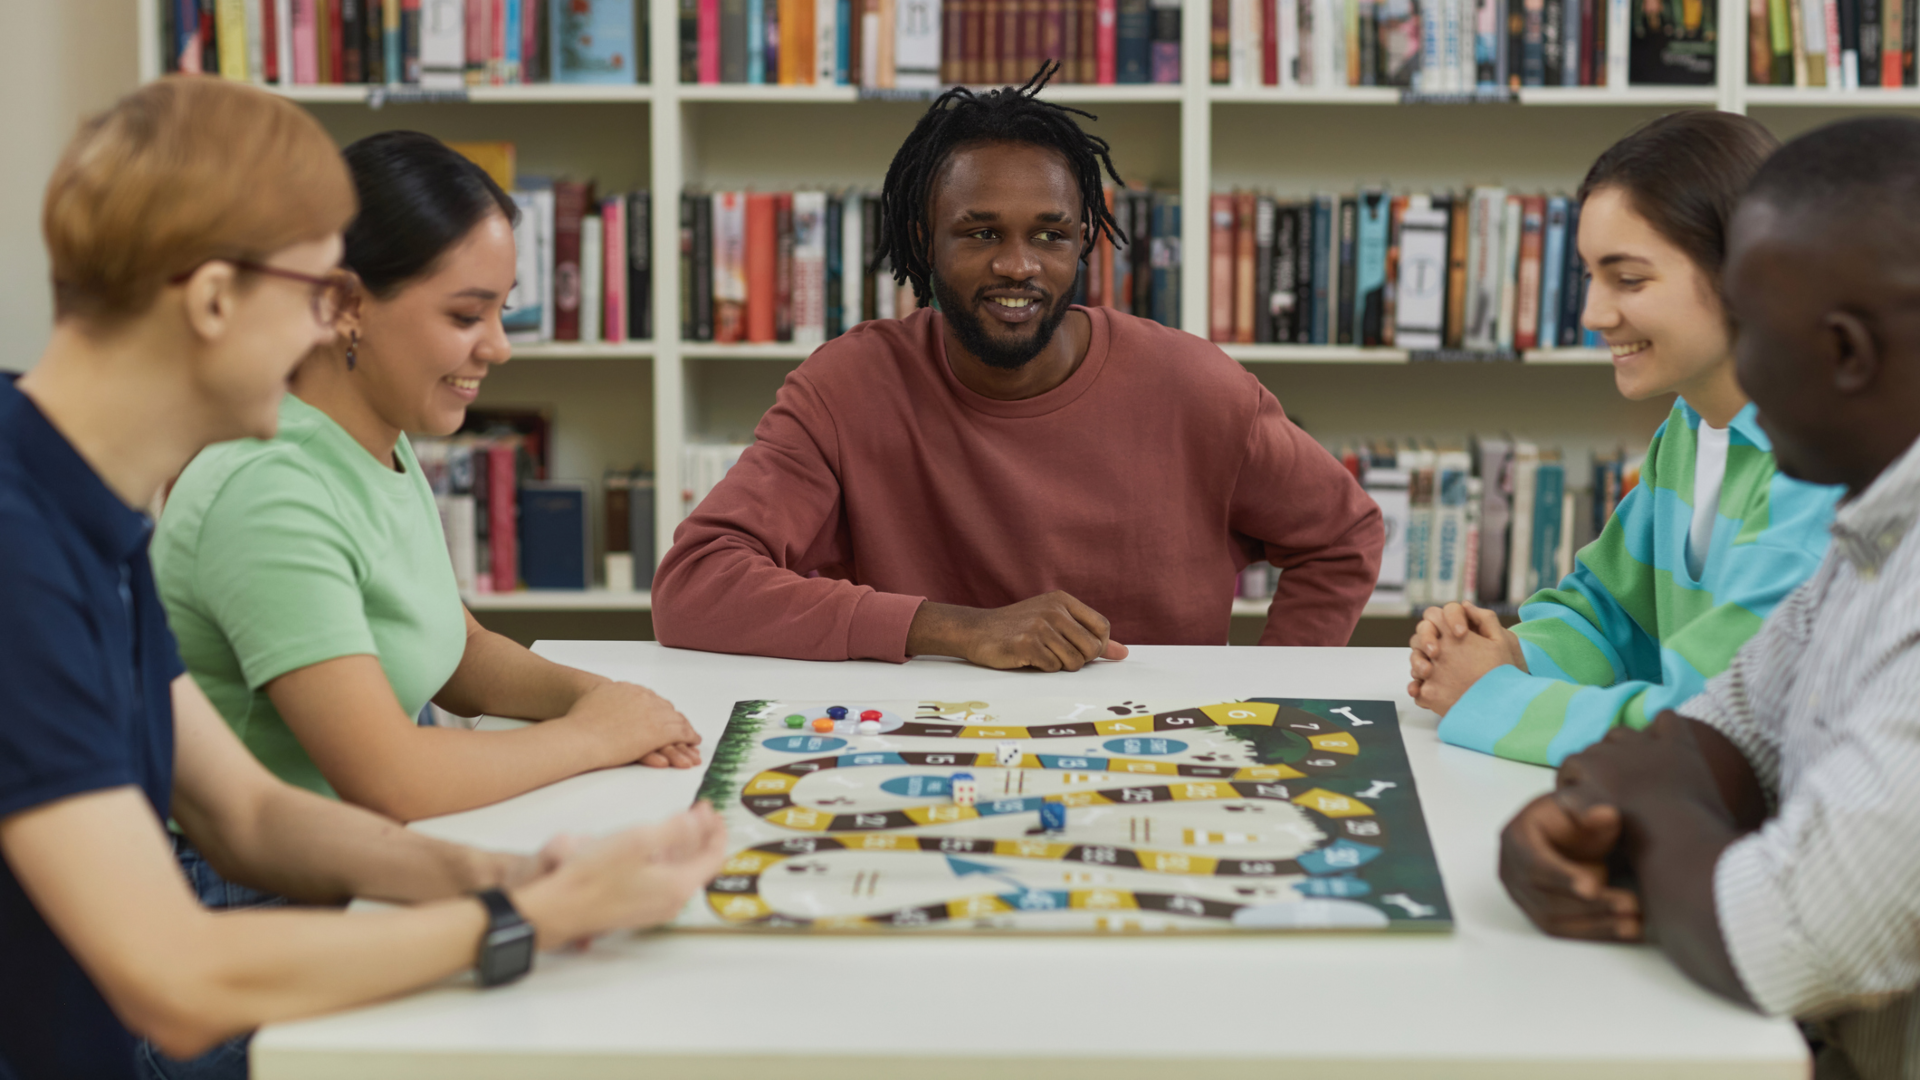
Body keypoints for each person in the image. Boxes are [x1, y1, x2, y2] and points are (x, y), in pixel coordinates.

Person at [0, 77, 727, 1080]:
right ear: (213, 300)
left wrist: (511, 873)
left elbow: (246, 814)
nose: (324, 330)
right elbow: (172, 977)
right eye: (314, 296)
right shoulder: (21, 547)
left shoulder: (85, 500)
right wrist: (527, 915)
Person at [652, 64, 1384, 670]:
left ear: (1084, 240)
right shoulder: (847, 388)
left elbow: (1342, 536)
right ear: (924, 241)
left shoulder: (1198, 388)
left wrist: (1274, 695)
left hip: (1160, 752)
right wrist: (957, 629)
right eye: (980, 234)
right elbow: (695, 583)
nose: (1017, 266)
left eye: (1049, 235)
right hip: (926, 741)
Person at [1499, 115, 1920, 1080]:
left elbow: (1790, 937)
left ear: (1846, 352)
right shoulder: (1869, 534)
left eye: (1752, 330)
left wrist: (1637, 806)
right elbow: (1720, 728)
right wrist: (1619, 798)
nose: (1738, 376)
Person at [153, 131, 700, 837]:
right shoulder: (268, 488)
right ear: (345, 304)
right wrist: (593, 734)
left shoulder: (377, 439)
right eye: (466, 315)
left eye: (502, 311)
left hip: (353, 851)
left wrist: (606, 700)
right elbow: (391, 779)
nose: (499, 346)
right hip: (256, 882)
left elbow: (456, 649)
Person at [1406, 111, 1840, 765]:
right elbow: (1613, 616)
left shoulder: (1816, 475)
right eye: (1589, 275)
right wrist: (1509, 653)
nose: (1592, 315)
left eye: (1629, 279)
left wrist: (1490, 696)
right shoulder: (1688, 427)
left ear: (1746, 272)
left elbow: (1706, 727)